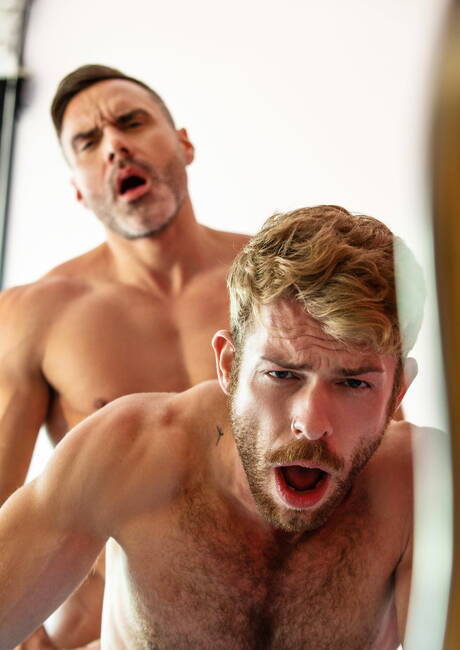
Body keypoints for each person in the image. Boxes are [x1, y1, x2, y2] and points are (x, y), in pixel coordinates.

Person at [0, 205, 429, 649]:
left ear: (397, 392)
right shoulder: (128, 451)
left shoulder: (420, 490)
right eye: (281, 374)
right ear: (228, 365)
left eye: (353, 383)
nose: (311, 424)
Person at [0, 64, 248, 647]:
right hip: (110, 635)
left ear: (184, 144)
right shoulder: (35, 314)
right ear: (77, 188)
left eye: (132, 122)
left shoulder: (279, 284)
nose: (115, 145)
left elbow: (376, 447)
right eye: (89, 142)